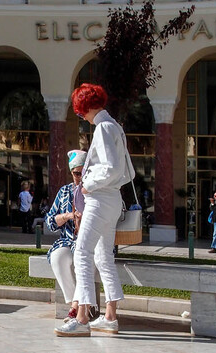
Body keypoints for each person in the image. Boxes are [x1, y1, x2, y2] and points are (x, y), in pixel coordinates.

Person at [55, 83, 133, 337]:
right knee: (102, 257)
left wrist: (87, 184)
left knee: (82, 253)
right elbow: (126, 171)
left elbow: (109, 167)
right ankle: (109, 316)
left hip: (100, 199)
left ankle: (82, 318)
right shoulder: (115, 128)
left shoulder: (103, 128)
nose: (82, 116)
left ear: (85, 107)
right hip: (112, 200)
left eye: (80, 112)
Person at [45, 150, 85, 321]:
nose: (80, 177)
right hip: (68, 240)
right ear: (71, 172)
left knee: (80, 260)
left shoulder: (93, 191)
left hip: (88, 242)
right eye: (76, 173)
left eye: (84, 173)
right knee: (58, 257)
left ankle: (76, 307)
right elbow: (50, 221)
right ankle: (73, 303)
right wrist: (67, 216)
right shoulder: (64, 192)